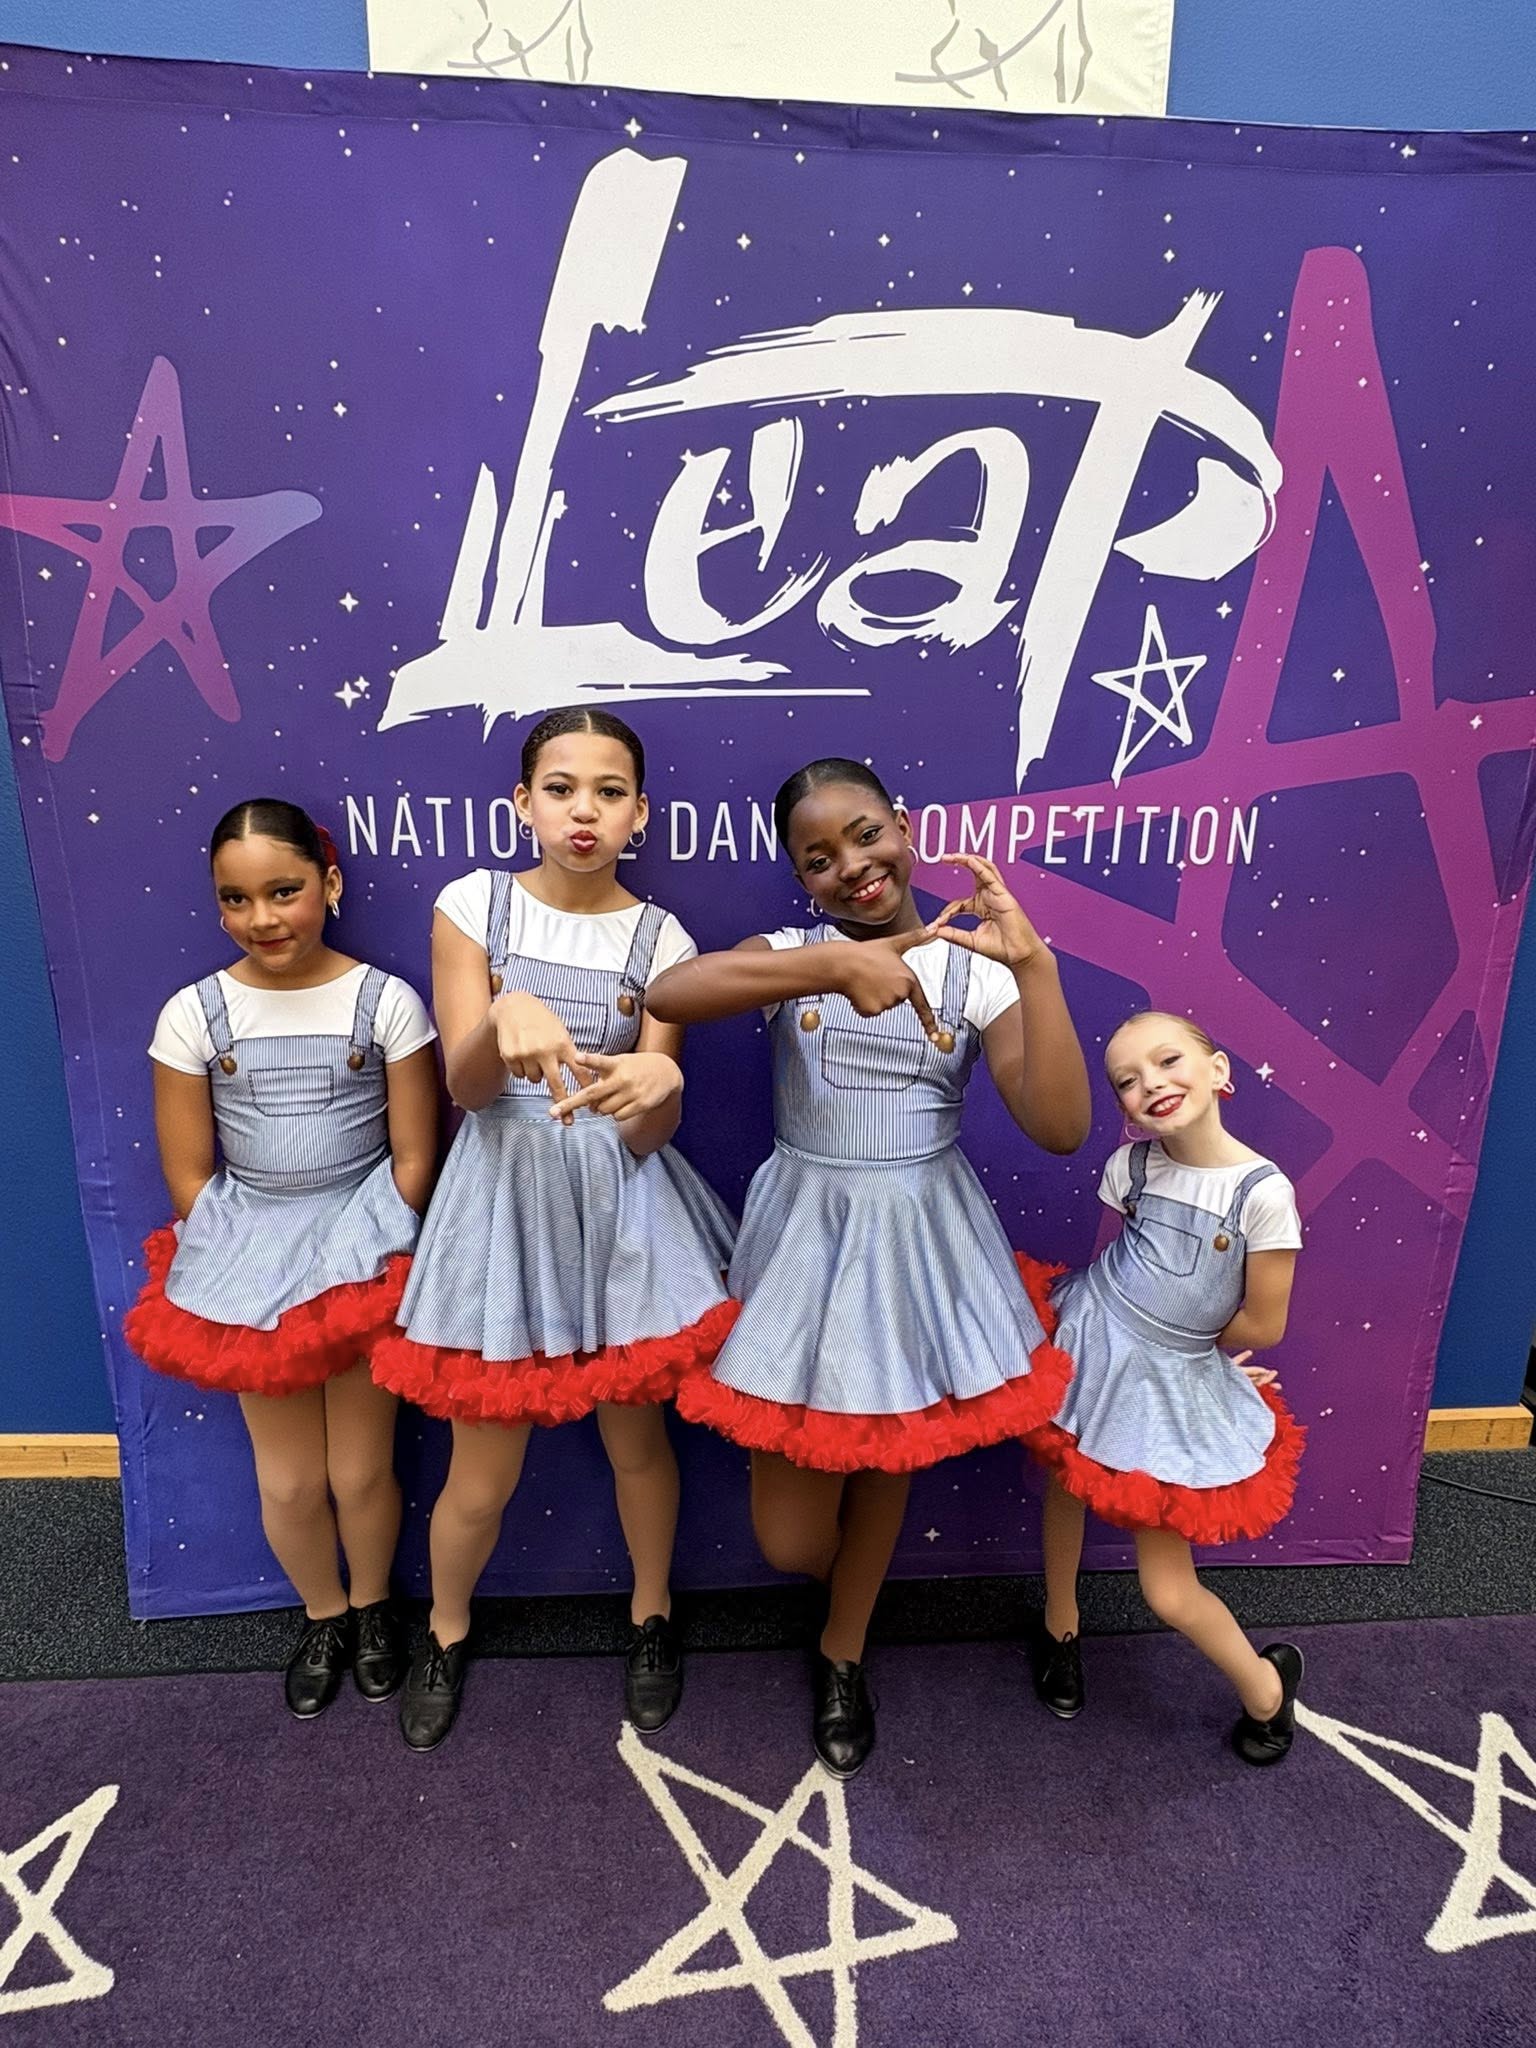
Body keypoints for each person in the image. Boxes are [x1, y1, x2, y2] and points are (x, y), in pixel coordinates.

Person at [647, 758, 1090, 1777]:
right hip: (806, 1239)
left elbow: (1062, 1125)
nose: (851, 865)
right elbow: (672, 991)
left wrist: (1036, 970)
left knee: (893, 1446)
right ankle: (838, 1590)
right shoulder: (787, 954)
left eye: (864, 834)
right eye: (819, 858)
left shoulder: (978, 971)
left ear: (904, 826)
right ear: (801, 879)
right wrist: (835, 966)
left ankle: (844, 1648)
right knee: (789, 1538)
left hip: (922, 1236)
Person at [372, 708, 736, 1752]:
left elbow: (647, 1130)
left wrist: (661, 1079)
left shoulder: (662, 940)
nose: (586, 811)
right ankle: (446, 1628)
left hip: (619, 1207)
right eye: (563, 788)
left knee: (638, 1441)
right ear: (523, 802)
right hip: (503, 1203)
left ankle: (653, 1613)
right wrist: (500, 1015)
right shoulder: (472, 906)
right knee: (481, 1469)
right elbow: (467, 1089)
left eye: (610, 792)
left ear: (640, 813)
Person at [125, 799, 438, 1718]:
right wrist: (249, 1262)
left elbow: (414, 1159)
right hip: (249, 1251)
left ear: (329, 884)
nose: (262, 917)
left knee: (360, 1470)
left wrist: (364, 1247)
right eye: (236, 899)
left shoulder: (385, 1001)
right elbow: (190, 1174)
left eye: (284, 891)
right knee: (291, 1477)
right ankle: (323, 1613)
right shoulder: (196, 1013)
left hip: (362, 1251)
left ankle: (373, 1607)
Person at [1025, 1010, 1307, 1764]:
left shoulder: (1261, 1193)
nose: (1150, 1083)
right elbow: (1131, 1270)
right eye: (1127, 1079)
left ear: (1219, 1071)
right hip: (1088, 1336)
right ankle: (1060, 1626)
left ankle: (1267, 1692)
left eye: (1168, 1060)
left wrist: (1194, 1361)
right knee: (1067, 1476)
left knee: (1168, 1591)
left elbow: (1262, 1322)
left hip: (1163, 1380)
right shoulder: (1133, 1169)